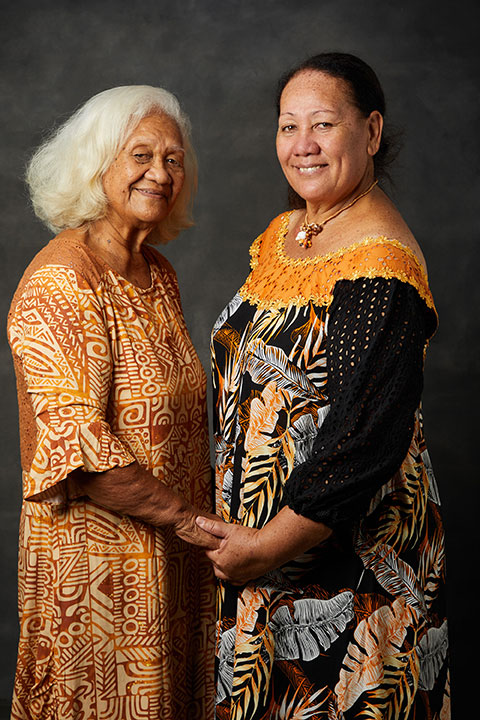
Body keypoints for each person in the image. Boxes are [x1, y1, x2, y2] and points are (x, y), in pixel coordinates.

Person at [197, 53, 450, 719]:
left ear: (370, 131)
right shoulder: (292, 231)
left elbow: (363, 440)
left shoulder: (379, 269)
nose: (302, 144)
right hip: (264, 560)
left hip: (343, 567)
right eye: (288, 126)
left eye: (324, 124)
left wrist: (263, 547)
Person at [7, 85, 218, 720]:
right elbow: (83, 457)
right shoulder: (62, 280)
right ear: (95, 165)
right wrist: (190, 524)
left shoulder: (157, 272)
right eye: (141, 155)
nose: (161, 172)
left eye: (174, 158)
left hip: (173, 567)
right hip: (97, 577)